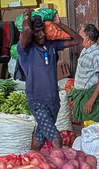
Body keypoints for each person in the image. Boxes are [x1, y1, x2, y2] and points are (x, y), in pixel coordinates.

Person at [17, 11, 78, 149]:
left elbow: (77, 40)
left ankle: (33, 159)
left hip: (54, 101)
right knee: (55, 138)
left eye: (42, 31)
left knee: (40, 135)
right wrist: (26, 15)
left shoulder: (51, 46)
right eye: (37, 32)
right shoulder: (25, 49)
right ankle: (60, 166)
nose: (41, 35)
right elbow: (26, 29)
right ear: (31, 34)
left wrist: (59, 24)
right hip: (37, 101)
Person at [69, 23, 99, 123]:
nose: (78, 36)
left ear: (87, 37)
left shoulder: (97, 54)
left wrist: (91, 101)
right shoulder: (85, 51)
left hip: (89, 95)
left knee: (91, 125)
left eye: (80, 34)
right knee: (83, 124)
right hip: (81, 94)